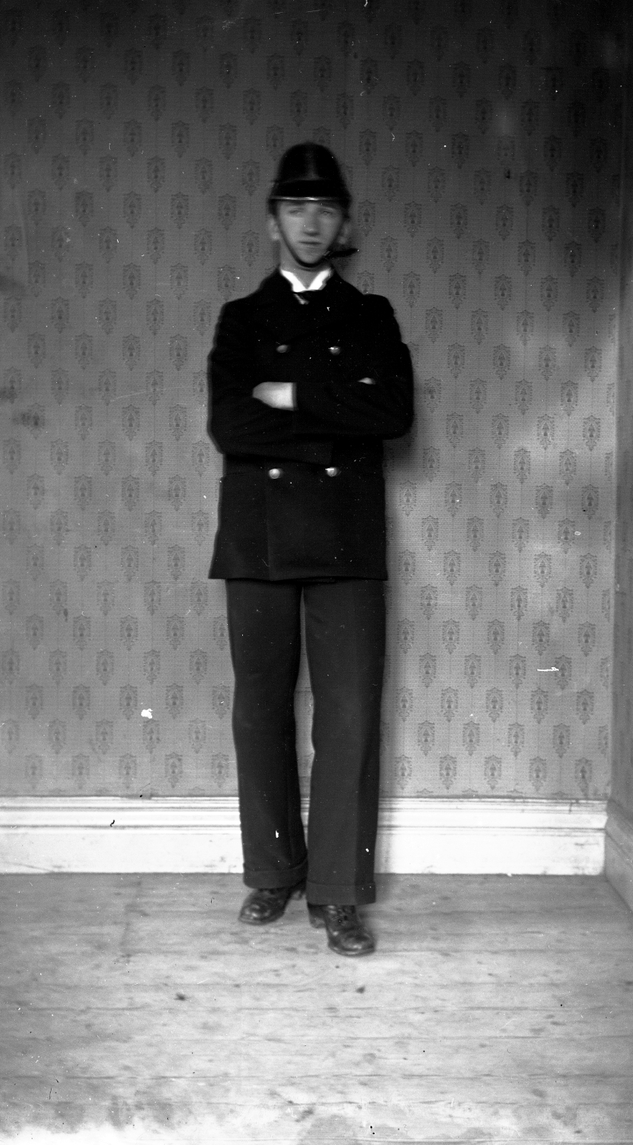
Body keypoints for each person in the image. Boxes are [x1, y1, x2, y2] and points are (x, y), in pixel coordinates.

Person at [206, 142, 414, 956]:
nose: (311, 223)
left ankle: (337, 891)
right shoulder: (241, 319)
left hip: (346, 539)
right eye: (296, 209)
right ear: (273, 222)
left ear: (343, 222)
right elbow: (231, 426)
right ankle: (273, 872)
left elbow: (392, 413)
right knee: (260, 710)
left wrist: (289, 395)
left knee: (350, 715)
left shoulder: (372, 316)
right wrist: (336, 414)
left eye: (324, 209)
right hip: (256, 537)